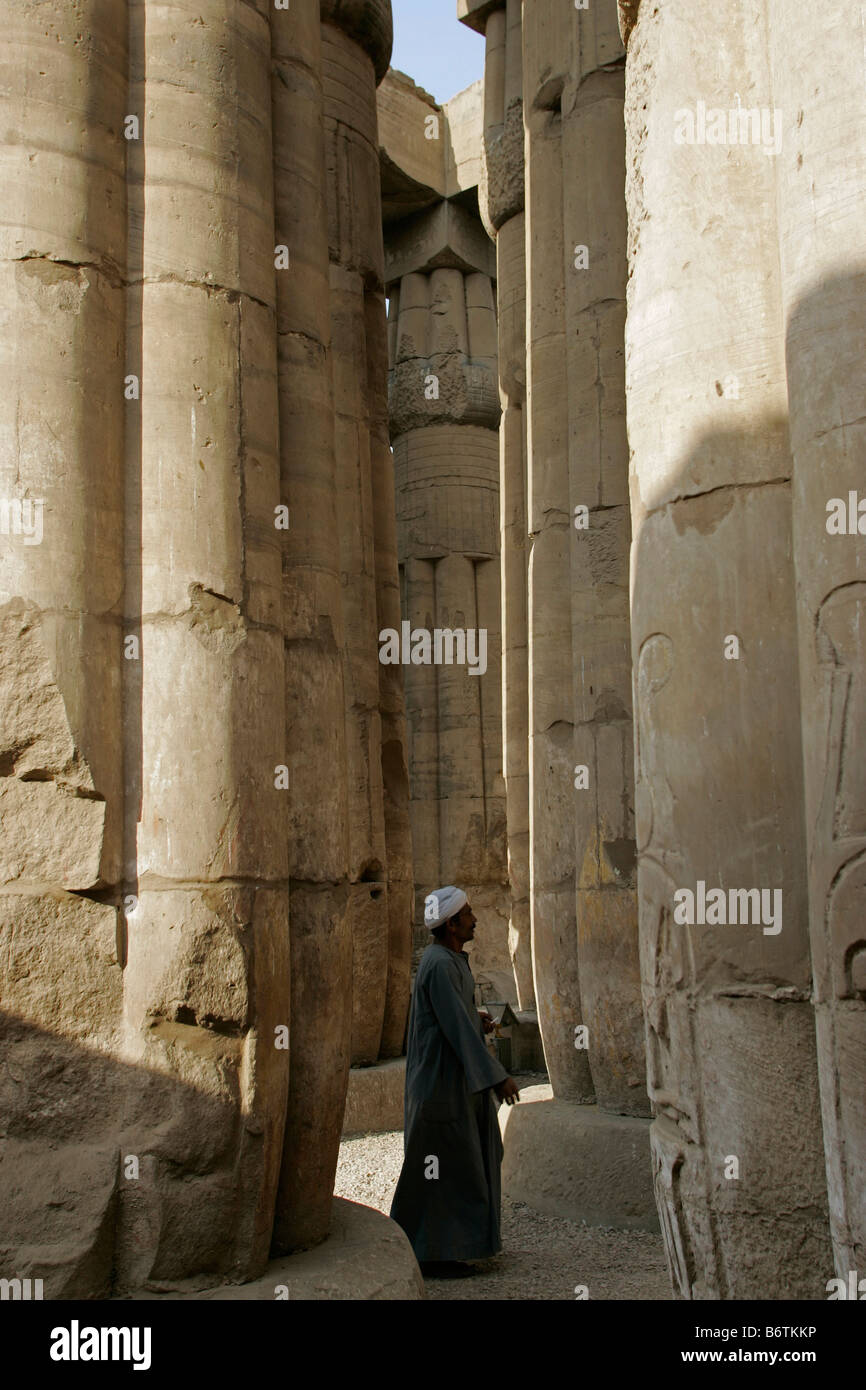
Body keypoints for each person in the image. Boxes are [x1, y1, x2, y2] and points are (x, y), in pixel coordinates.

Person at [389, 885, 520, 1273]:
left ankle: (449, 1247)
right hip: (439, 1087)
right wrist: (498, 1078)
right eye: (468, 914)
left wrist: (471, 1015)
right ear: (451, 924)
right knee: (439, 1170)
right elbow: (458, 1032)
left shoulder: (449, 960)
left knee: (466, 1161)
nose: (475, 919)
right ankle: (430, 1253)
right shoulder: (441, 964)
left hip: (453, 1085)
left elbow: (454, 1018)